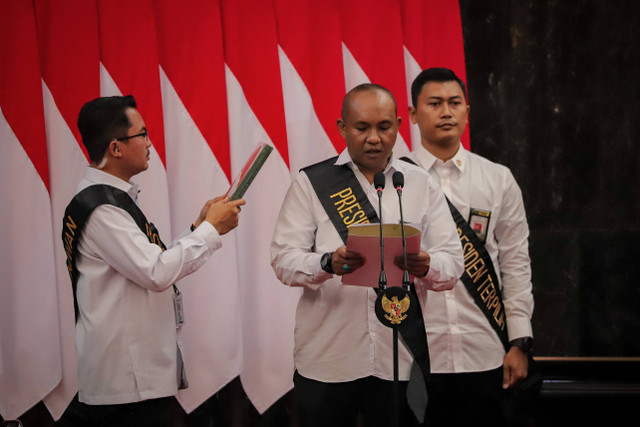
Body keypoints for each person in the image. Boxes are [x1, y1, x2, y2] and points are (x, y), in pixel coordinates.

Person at [270, 84, 463, 427]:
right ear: (342, 128)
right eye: (362, 128)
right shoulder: (312, 183)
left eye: (384, 127)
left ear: (399, 125)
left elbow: (453, 262)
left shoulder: (419, 183)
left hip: (398, 358)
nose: (374, 138)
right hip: (328, 357)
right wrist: (326, 263)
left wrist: (428, 265)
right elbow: (283, 260)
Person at [59, 95, 245, 427]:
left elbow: (150, 262)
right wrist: (210, 230)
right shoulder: (102, 208)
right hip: (127, 382)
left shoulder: (109, 199)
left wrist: (198, 228)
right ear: (116, 148)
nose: (149, 143)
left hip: (133, 378)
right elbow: (156, 273)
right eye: (142, 134)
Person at [406, 68, 535, 426]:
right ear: (414, 115)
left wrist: (519, 341)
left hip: (486, 349)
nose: (446, 111)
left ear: (467, 110)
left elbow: (516, 262)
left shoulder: (497, 178)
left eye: (454, 103)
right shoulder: (393, 179)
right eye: (434, 104)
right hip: (414, 352)